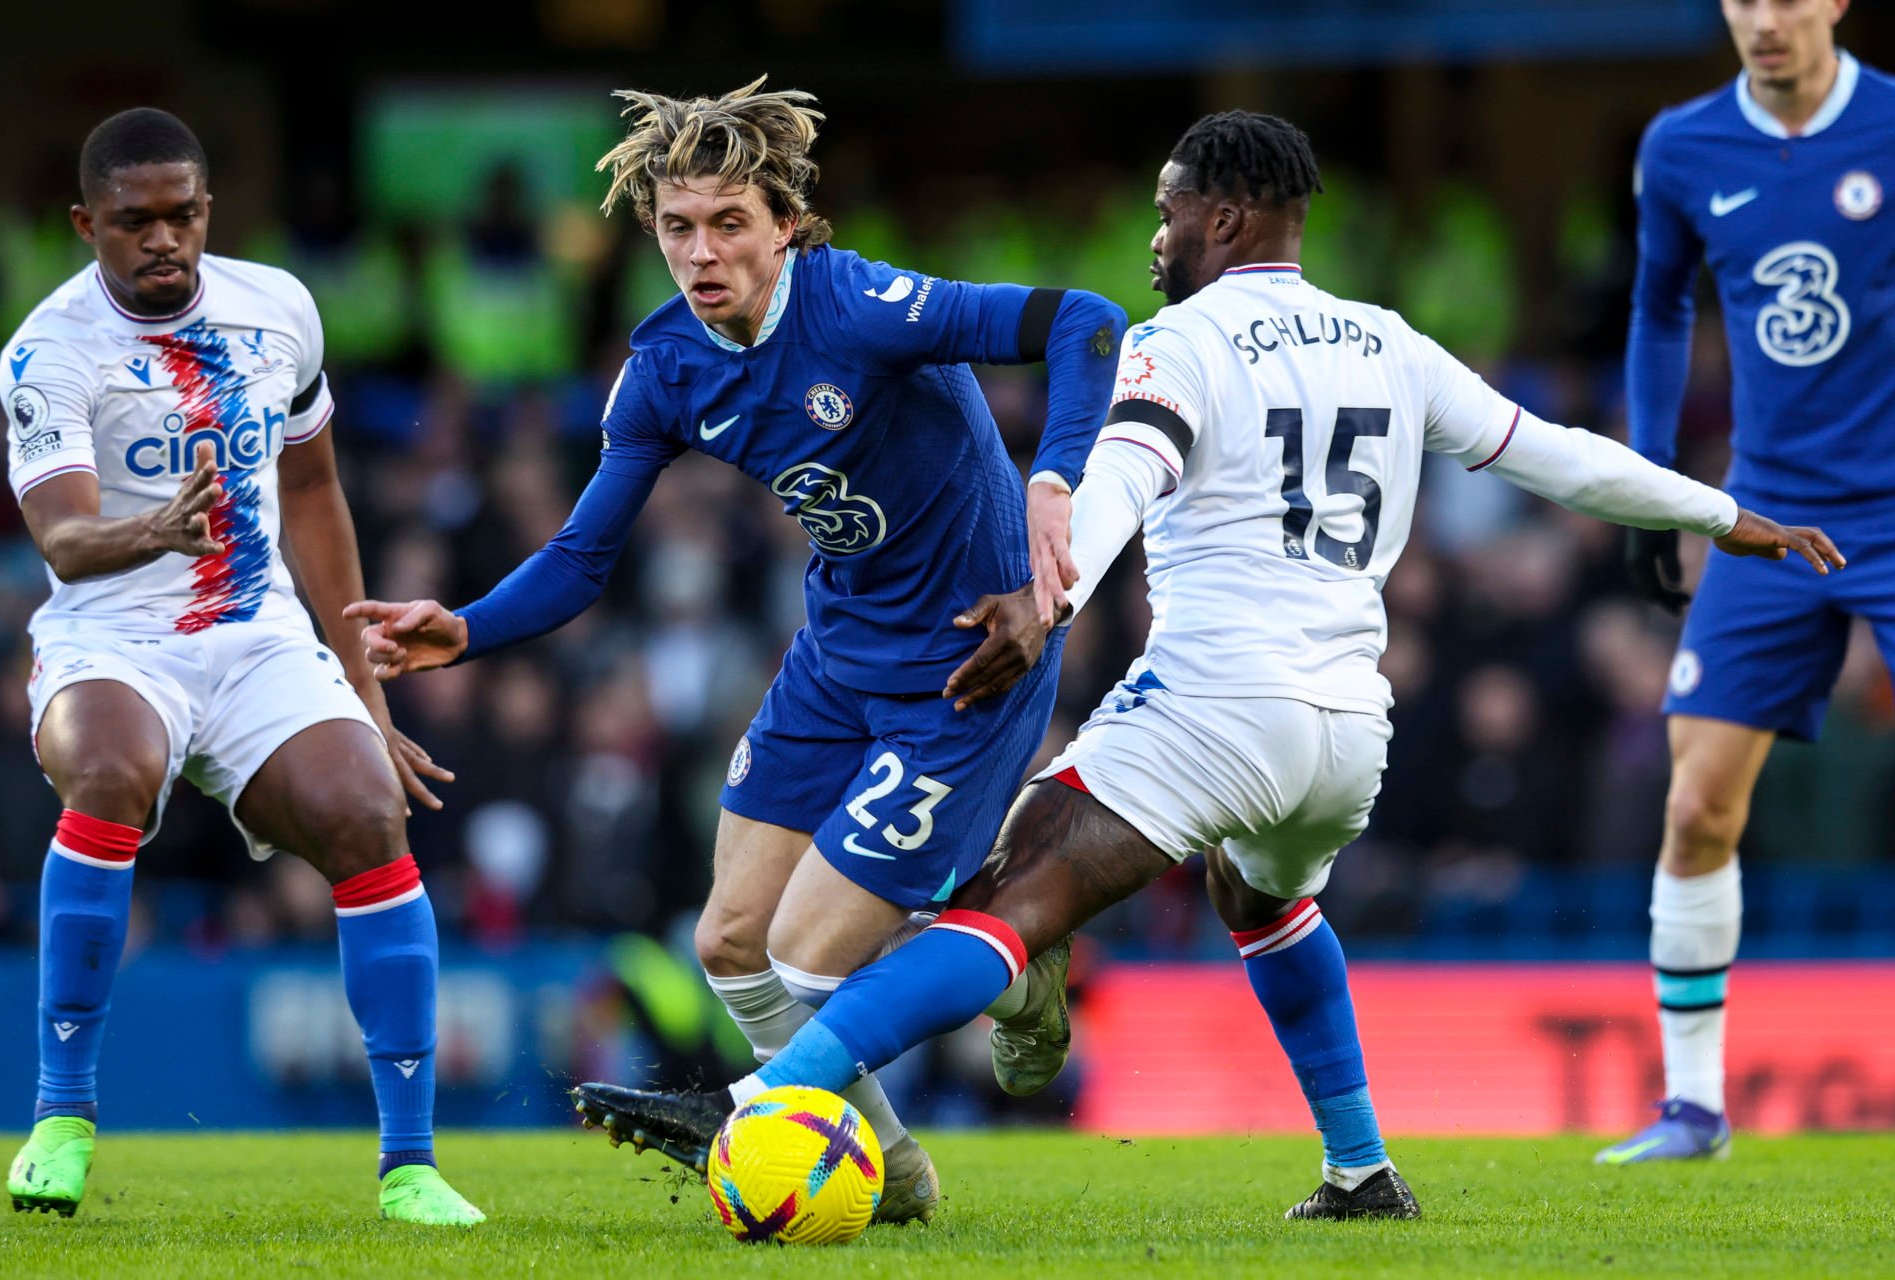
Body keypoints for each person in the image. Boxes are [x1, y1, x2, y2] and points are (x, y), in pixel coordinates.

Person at [573, 109, 1843, 1219]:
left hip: (1212, 709)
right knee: (1267, 905)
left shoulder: (1174, 343)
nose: (1154, 234)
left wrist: (1042, 589)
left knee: (1006, 899)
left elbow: (1125, 476)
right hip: (1350, 730)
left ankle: (761, 1098)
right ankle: (1359, 1169)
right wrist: (1722, 512)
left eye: (1169, 208)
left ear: (1224, 218)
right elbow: (1558, 454)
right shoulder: (1388, 340)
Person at [346, 78, 1126, 1222]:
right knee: (729, 943)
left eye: (729, 224)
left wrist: (1051, 486)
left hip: (968, 666)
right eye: (676, 227)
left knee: (811, 956)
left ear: (787, 225)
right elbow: (581, 555)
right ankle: (898, 1170)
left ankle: (985, 963)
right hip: (835, 655)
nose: (700, 253)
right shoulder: (664, 366)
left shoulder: (858, 303)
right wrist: (465, 627)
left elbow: (1085, 321)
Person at [0, 108, 481, 1226]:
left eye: (183, 215)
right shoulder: (48, 347)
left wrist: (363, 686)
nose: (162, 239)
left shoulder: (280, 308)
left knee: (368, 809)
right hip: (114, 638)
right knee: (109, 770)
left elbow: (311, 489)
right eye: (134, 222)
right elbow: (64, 538)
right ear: (87, 225)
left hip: (260, 637)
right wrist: (153, 530)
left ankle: (411, 1164)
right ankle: (61, 1117)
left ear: (209, 210)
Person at [1601, 0, 1895, 1164]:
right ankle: (1693, 1108)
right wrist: (1653, 481)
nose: (1765, 20)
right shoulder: (1681, 145)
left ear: (1834, 1)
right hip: (1770, 514)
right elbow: (1660, 303)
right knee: (1695, 807)